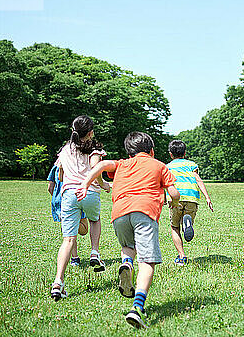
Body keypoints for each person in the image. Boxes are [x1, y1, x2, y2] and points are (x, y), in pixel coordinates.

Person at [77, 132, 180, 329]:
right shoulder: (159, 165)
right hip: (144, 211)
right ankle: (137, 308)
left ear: (130, 152)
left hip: (119, 213)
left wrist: (85, 182)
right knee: (147, 260)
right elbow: (174, 192)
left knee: (128, 246)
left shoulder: (123, 163)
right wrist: (174, 201)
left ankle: (126, 264)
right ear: (151, 150)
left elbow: (101, 165)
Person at [50, 115, 110, 301]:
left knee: (68, 240)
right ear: (90, 132)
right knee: (94, 220)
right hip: (90, 193)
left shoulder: (65, 150)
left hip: (69, 196)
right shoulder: (95, 149)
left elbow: (59, 175)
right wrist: (104, 184)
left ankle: (58, 282)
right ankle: (94, 252)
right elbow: (95, 169)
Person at [165, 140, 214, 266]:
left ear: (171, 154)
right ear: (185, 153)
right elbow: (198, 180)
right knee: (186, 220)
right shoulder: (192, 165)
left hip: (176, 198)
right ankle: (188, 223)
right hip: (192, 198)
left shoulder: (168, 167)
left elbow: (165, 184)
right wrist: (207, 197)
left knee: (174, 227)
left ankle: (182, 256)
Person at [47, 161, 87, 266]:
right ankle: (75, 258)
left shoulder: (55, 167)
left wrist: (56, 198)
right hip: (75, 198)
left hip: (60, 201)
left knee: (69, 232)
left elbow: (50, 187)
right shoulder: (77, 164)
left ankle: (75, 258)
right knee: (83, 230)